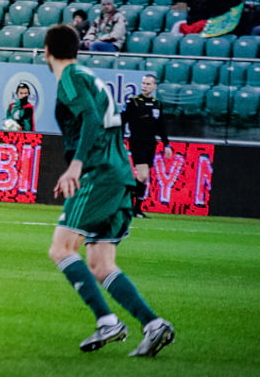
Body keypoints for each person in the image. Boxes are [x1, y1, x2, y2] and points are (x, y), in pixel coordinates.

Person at [43, 24, 175, 357]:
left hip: (98, 174)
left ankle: (107, 321)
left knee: (61, 249)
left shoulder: (71, 77)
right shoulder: (89, 76)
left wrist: (76, 164)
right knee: (101, 263)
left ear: (47, 51)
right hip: (120, 175)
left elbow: (89, 117)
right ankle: (153, 324)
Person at [121, 74, 173, 217]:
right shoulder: (134, 102)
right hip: (137, 142)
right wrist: (119, 139)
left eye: (148, 84)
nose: (145, 86)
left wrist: (166, 144)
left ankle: (136, 209)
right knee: (143, 174)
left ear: (154, 87)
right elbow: (122, 120)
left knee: (145, 177)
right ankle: (128, 203)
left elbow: (161, 126)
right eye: (144, 83)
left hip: (151, 143)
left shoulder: (157, 104)